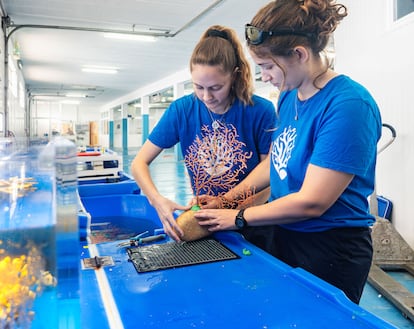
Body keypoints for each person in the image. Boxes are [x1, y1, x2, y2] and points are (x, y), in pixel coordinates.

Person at [194, 0, 382, 305]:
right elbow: (276, 164)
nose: (265, 76)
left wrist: (238, 217)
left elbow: (312, 202)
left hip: (329, 247)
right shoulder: (290, 96)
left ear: (299, 54)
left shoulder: (348, 106)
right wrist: (227, 199)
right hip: (285, 232)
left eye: (268, 66)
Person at [131, 25, 277, 246]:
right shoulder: (182, 110)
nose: (206, 96)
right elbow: (139, 162)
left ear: (235, 76)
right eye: (198, 87)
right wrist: (157, 200)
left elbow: (271, 177)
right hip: (207, 222)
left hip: (252, 221)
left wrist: (232, 210)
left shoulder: (260, 111)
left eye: (216, 87)